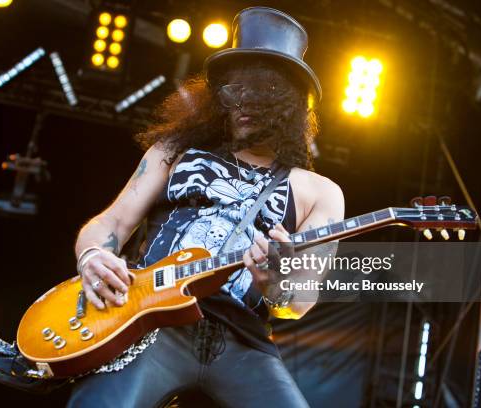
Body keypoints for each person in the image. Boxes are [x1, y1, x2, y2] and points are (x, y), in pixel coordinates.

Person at [68, 7, 344, 408]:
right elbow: (111, 221)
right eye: (235, 90)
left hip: (242, 342)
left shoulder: (320, 191)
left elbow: (299, 303)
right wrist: (92, 254)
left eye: (264, 93)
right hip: (154, 323)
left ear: (290, 106)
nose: (245, 104)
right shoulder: (174, 152)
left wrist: (276, 283)